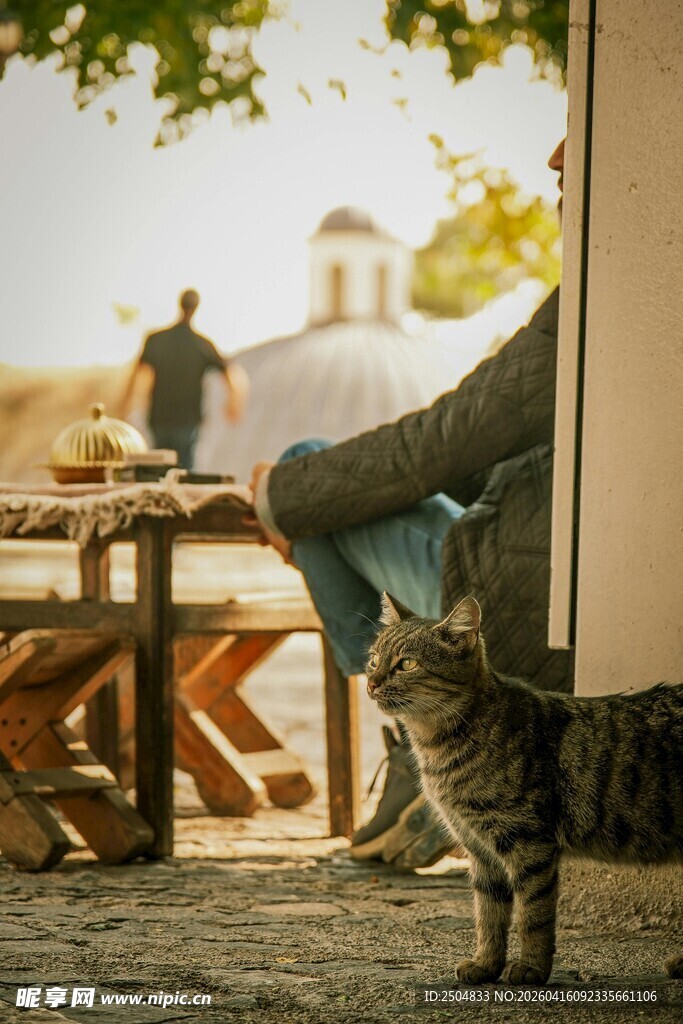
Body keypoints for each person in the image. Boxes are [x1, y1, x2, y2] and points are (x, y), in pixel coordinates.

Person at [246, 140, 570, 870]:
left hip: (515, 597)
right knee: (317, 491)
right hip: (542, 567)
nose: (552, 157)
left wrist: (276, 498)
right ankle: (414, 751)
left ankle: (409, 753)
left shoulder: (596, 297)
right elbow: (476, 460)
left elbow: (440, 445)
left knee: (305, 477)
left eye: (574, 138)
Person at [122, 289, 248, 468]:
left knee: (160, 468)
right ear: (196, 308)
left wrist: (124, 405)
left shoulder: (156, 340)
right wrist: (235, 400)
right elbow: (231, 372)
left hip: (161, 417)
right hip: (185, 420)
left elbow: (136, 374)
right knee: (183, 472)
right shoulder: (201, 344)